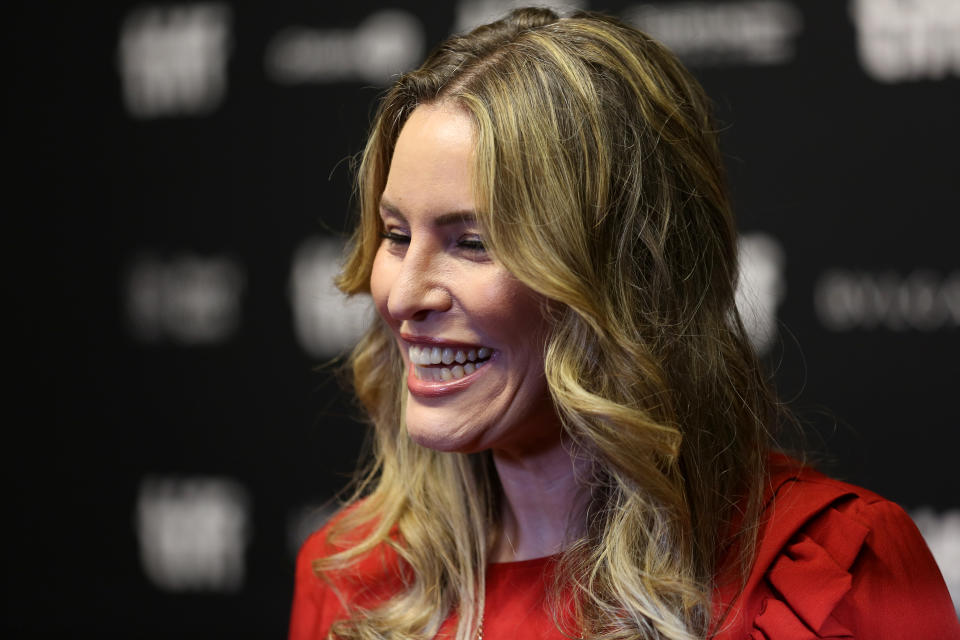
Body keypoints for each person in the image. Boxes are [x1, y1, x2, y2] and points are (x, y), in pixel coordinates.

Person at [290, 8, 959, 640]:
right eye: (396, 234)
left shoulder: (832, 570)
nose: (402, 296)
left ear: (624, 276)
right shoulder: (349, 576)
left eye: (473, 243)